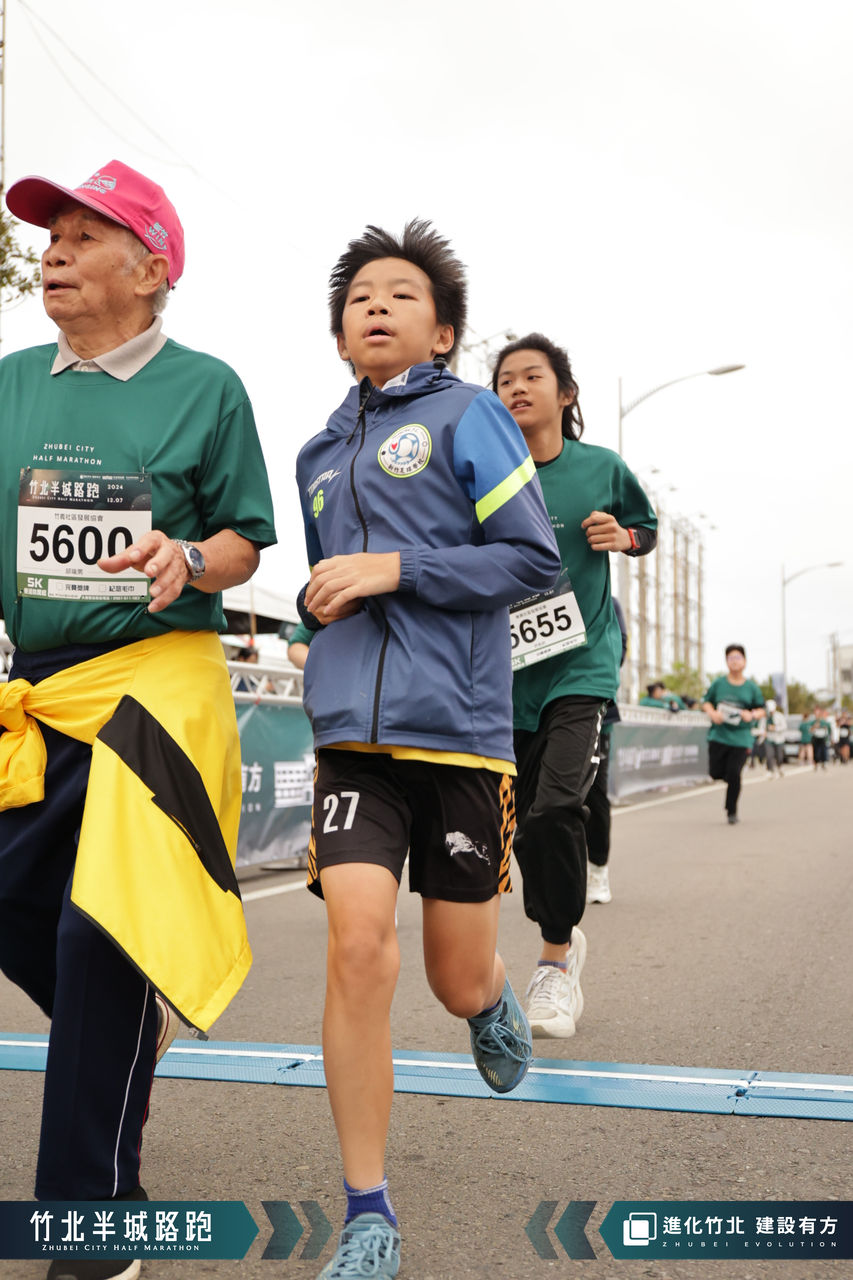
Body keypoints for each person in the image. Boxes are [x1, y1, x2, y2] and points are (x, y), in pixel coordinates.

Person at [0, 159, 276, 1280]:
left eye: (83, 235)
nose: (55, 252)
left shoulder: (208, 389)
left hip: (156, 681)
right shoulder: (12, 383)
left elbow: (244, 539)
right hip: (40, 686)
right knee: (17, 901)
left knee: (100, 929)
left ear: (151, 269)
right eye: (51, 236)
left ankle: (93, 1219)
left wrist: (188, 557)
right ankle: (122, 1024)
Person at [294, 222, 560, 1280]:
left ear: (442, 332)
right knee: (358, 946)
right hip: (351, 744)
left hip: (456, 737)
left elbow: (530, 557)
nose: (376, 304)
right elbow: (330, 578)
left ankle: (489, 996)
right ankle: (368, 1211)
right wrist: (328, 597)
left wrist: (395, 567)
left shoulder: (469, 416)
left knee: (451, 979)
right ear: (339, 333)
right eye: (359, 295)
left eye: (402, 293)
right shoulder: (317, 453)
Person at [491, 333, 657, 1037]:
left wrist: (624, 537)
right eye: (505, 380)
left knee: (555, 809)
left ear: (565, 394)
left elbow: (645, 526)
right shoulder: (483, 475)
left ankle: (555, 960)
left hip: (580, 667)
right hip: (503, 677)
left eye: (532, 376)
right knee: (522, 826)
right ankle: (561, 934)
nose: (517, 387)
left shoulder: (600, 467)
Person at [585, 596, 628, 905]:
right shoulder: (535, 585)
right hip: (535, 710)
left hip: (593, 706)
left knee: (594, 794)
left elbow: (619, 650)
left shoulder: (608, 602)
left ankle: (597, 868)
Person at [702, 645, 765, 823]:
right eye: (731, 658)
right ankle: (728, 781)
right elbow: (706, 702)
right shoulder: (719, 684)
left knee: (734, 773)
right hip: (719, 735)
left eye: (738, 658)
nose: (734, 661)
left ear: (744, 661)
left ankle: (732, 811)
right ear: (726, 661)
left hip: (741, 737)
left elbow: (762, 710)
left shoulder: (751, 687)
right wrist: (712, 713)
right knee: (715, 772)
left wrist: (751, 715)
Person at [764, 698, 787, 776]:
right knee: (769, 755)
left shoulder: (780, 716)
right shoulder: (765, 717)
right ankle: (770, 770)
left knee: (779, 755)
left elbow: (784, 726)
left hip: (779, 739)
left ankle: (780, 767)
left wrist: (775, 728)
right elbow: (762, 727)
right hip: (769, 739)